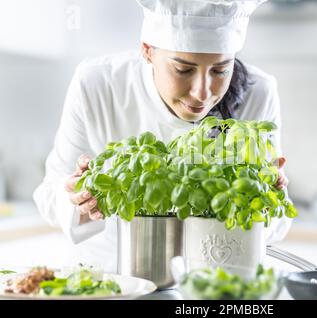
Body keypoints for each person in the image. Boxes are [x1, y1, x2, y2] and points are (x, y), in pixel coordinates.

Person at [33, 0, 292, 272]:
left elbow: (277, 225)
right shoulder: (98, 84)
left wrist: (267, 196)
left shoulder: (259, 92)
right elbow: (48, 196)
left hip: (212, 284)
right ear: (147, 50)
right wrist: (76, 199)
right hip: (109, 278)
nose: (202, 93)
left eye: (220, 70)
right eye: (183, 69)